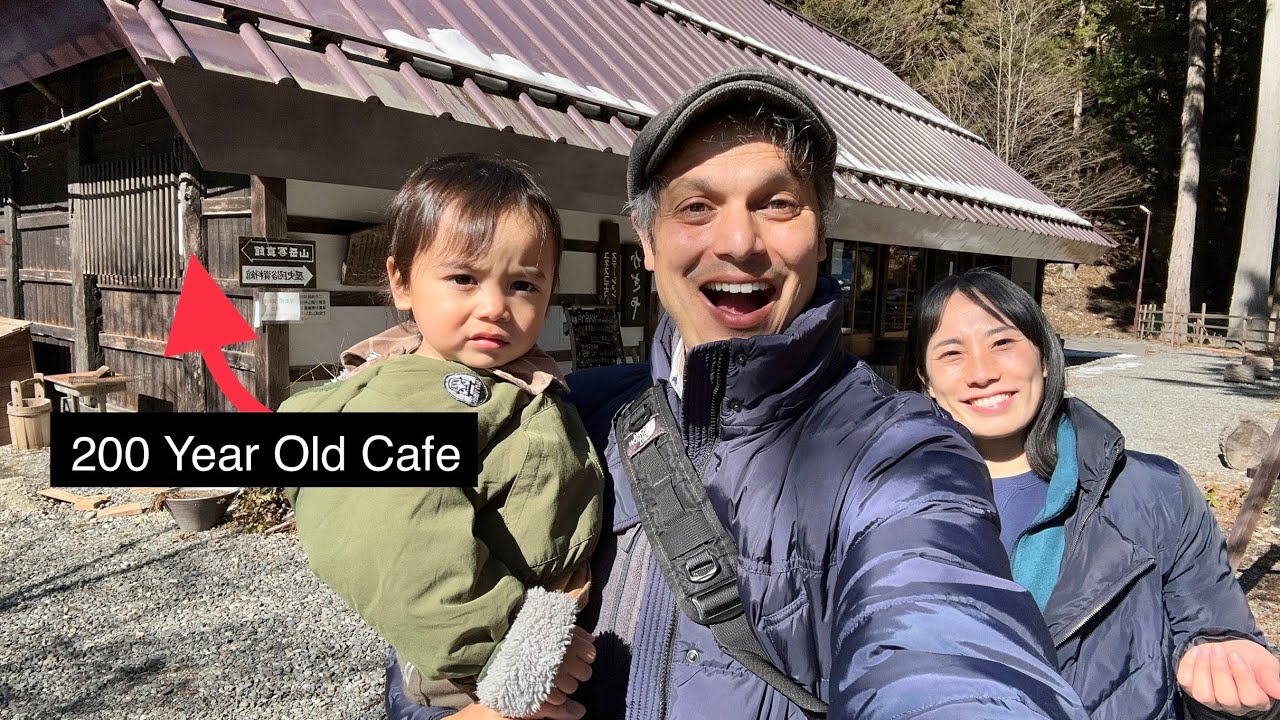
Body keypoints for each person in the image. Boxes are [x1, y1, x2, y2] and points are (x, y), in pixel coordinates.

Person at [368, 67, 1090, 720]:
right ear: (647, 243)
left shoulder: (901, 453)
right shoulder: (565, 411)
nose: (740, 241)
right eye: (695, 208)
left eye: (777, 203)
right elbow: (418, 579)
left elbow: (949, 640)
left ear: (818, 236)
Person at [282, 154, 602, 719]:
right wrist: (506, 649)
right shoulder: (407, 401)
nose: (495, 307)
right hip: (478, 682)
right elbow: (398, 543)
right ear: (401, 282)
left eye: (523, 283)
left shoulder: (503, 381)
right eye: (463, 278)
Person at [900, 268, 1280, 719]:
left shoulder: (1155, 493)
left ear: (1043, 356)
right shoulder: (883, 501)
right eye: (952, 353)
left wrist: (1232, 696)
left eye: (1002, 343)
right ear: (925, 378)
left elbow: (1217, 635)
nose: (982, 372)